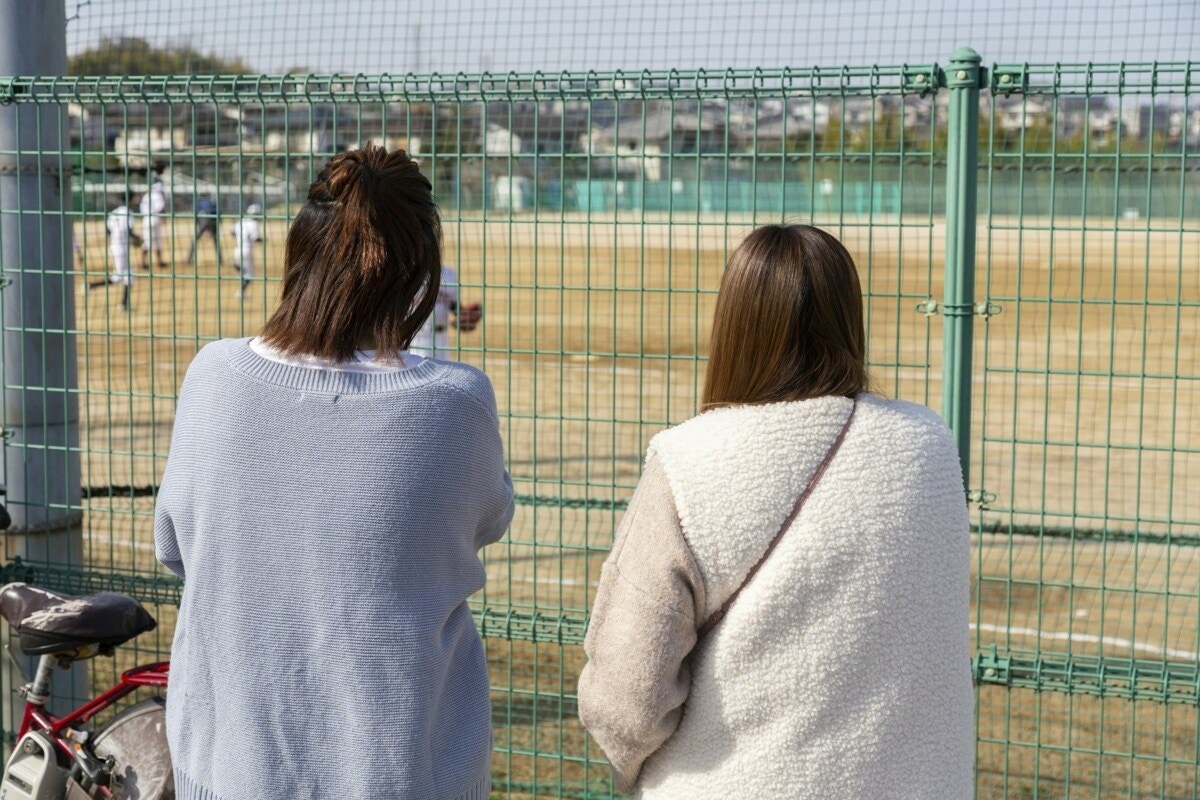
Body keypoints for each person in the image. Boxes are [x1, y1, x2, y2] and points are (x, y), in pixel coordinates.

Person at [154, 145, 514, 800]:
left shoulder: (213, 377)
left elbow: (174, 546)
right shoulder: (458, 403)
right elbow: (488, 519)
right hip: (404, 771)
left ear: (300, 256)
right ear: (418, 273)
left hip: (235, 768)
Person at [577, 225, 973, 799]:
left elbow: (626, 694)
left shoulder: (689, 461)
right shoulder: (928, 444)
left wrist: (631, 769)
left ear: (735, 325)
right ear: (849, 318)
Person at [409, 264, 482, 358]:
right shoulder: (416, 272)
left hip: (442, 337)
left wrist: (461, 318)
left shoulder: (449, 273)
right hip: (420, 336)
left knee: (443, 366)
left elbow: (453, 305)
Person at [88, 195, 139, 311]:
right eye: (134, 197)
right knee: (119, 277)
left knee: (129, 274)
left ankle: (124, 304)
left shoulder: (115, 212)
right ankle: (90, 286)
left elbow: (108, 231)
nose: (136, 200)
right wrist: (137, 239)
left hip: (115, 245)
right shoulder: (129, 213)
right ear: (130, 199)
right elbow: (129, 231)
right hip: (121, 248)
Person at [231, 202, 262, 299]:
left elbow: (232, 232)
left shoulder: (241, 221)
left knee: (243, 273)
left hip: (237, 249)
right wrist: (263, 240)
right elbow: (255, 238)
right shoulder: (254, 224)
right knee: (250, 275)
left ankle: (237, 266)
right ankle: (240, 292)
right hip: (247, 251)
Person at [184, 194, 221, 267]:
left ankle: (188, 259)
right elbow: (218, 214)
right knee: (216, 240)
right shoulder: (212, 202)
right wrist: (211, 231)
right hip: (214, 220)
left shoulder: (198, 201)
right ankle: (220, 259)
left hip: (204, 219)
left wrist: (201, 228)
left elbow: (196, 215)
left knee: (195, 239)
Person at [139, 178, 168, 270]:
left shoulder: (146, 196)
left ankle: (144, 261)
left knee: (147, 242)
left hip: (146, 220)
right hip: (155, 220)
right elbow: (161, 209)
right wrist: (164, 218)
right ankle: (158, 261)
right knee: (157, 242)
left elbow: (142, 209)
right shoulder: (158, 196)